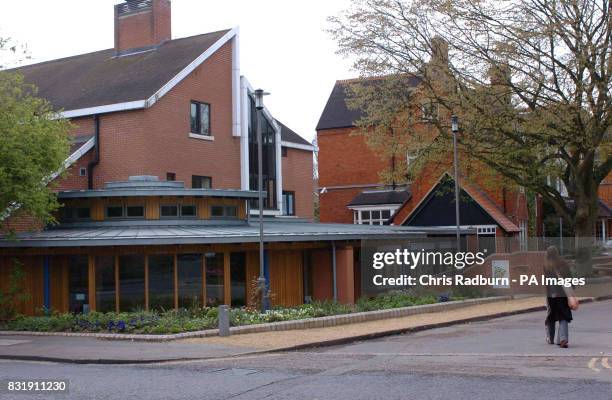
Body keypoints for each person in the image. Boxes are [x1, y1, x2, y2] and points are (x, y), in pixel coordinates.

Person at [544, 246, 574, 348]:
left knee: (551, 316)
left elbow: (546, 281)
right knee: (563, 315)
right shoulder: (563, 263)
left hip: (551, 294)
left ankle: (551, 338)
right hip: (562, 293)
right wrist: (571, 290)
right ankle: (562, 339)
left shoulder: (546, 265)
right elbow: (569, 277)